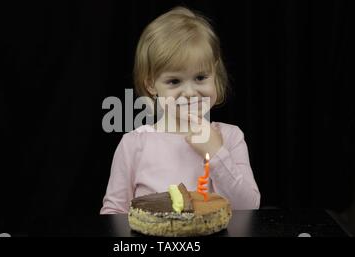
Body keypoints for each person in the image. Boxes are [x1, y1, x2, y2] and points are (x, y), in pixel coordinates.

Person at [100, 6, 260, 214]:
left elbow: (248, 208)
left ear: (215, 72)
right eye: (174, 81)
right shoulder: (134, 144)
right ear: (151, 85)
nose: (190, 92)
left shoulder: (230, 137)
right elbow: (114, 212)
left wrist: (216, 153)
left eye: (201, 77)